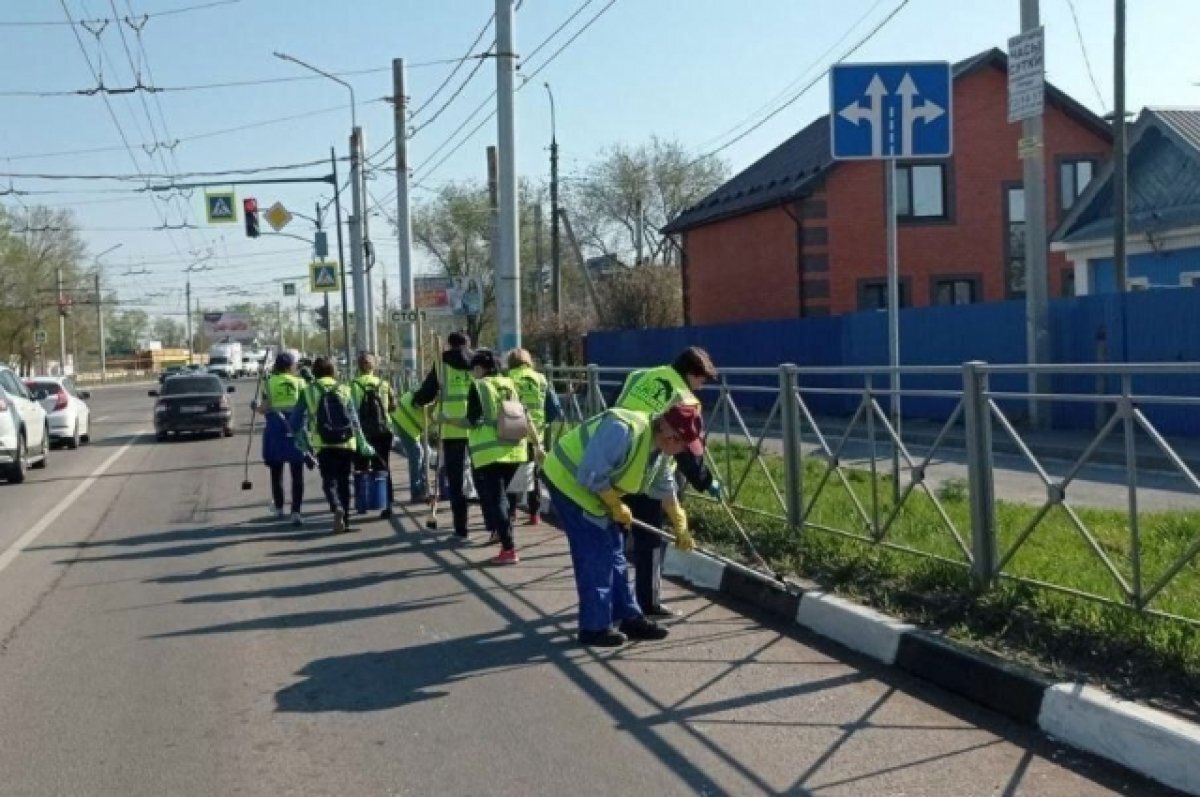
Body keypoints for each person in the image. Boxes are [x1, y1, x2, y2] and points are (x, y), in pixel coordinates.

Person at [543, 404, 702, 646]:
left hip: (597, 492)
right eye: (684, 445)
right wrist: (615, 505)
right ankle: (593, 628)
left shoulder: (660, 452)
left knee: (615, 551)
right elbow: (591, 472)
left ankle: (628, 616)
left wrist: (680, 524)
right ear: (670, 437)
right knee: (595, 553)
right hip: (569, 481)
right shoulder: (623, 428)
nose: (685, 452)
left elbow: (666, 488)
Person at [614, 347, 721, 618]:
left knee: (614, 538)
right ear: (689, 374)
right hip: (650, 471)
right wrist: (706, 481)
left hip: (617, 465)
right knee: (650, 539)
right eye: (701, 379)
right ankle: (647, 603)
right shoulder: (685, 399)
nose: (701, 386)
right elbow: (685, 450)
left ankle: (616, 600)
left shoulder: (639, 376)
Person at [455, 349, 541, 564]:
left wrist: (447, 420)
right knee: (508, 499)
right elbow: (525, 415)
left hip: (490, 451)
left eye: (473, 369)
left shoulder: (479, 386)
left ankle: (508, 548)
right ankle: (505, 536)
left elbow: (472, 420)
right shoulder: (510, 383)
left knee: (497, 499)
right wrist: (537, 443)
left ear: (479, 368)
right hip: (516, 448)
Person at [289, 356, 373, 534]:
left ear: (315, 372)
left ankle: (336, 507)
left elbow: (295, 421)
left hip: (323, 442)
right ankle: (346, 521)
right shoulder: (344, 389)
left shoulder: (309, 391)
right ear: (333, 371)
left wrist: (302, 441)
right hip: (346, 442)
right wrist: (361, 441)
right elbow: (354, 418)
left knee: (329, 480)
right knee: (344, 481)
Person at [412, 332, 474, 540]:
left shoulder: (441, 364)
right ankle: (494, 526)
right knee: (484, 480)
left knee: (456, 482)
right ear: (468, 345)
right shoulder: (479, 364)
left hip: (451, 430)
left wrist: (418, 400)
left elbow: (426, 393)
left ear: (449, 345)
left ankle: (461, 529)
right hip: (479, 430)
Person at [504, 348, 562, 526]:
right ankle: (534, 514)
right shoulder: (541, 379)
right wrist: (542, 424)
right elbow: (555, 409)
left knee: (510, 473)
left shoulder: (507, 379)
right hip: (535, 433)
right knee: (533, 473)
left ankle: (511, 512)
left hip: (514, 431)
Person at [257, 351, 308, 526]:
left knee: (276, 471)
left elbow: (264, 408)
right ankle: (296, 512)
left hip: (276, 430)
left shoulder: (269, 383)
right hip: (296, 430)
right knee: (297, 473)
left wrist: (255, 408)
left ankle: (279, 507)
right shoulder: (301, 382)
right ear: (290, 366)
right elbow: (306, 407)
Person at [350, 352, 395, 520]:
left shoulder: (354, 384)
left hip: (363, 433)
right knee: (383, 466)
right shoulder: (383, 384)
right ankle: (387, 504)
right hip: (384, 431)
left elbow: (352, 409)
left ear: (358, 366)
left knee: (361, 467)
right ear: (373, 366)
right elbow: (393, 406)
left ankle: (362, 503)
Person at [388, 387, 429, 505]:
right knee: (416, 454)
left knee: (424, 453)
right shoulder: (437, 396)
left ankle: (422, 488)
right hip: (405, 421)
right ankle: (416, 493)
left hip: (404, 417)